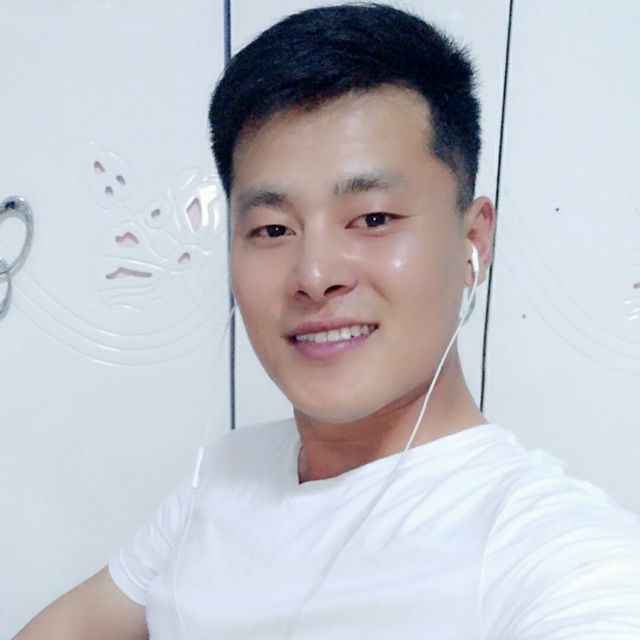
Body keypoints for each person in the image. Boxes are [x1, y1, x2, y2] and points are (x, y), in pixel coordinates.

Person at [14, 3, 640, 639]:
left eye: (373, 219)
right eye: (272, 229)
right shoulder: (226, 474)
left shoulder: (548, 551)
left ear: (473, 240)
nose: (314, 275)